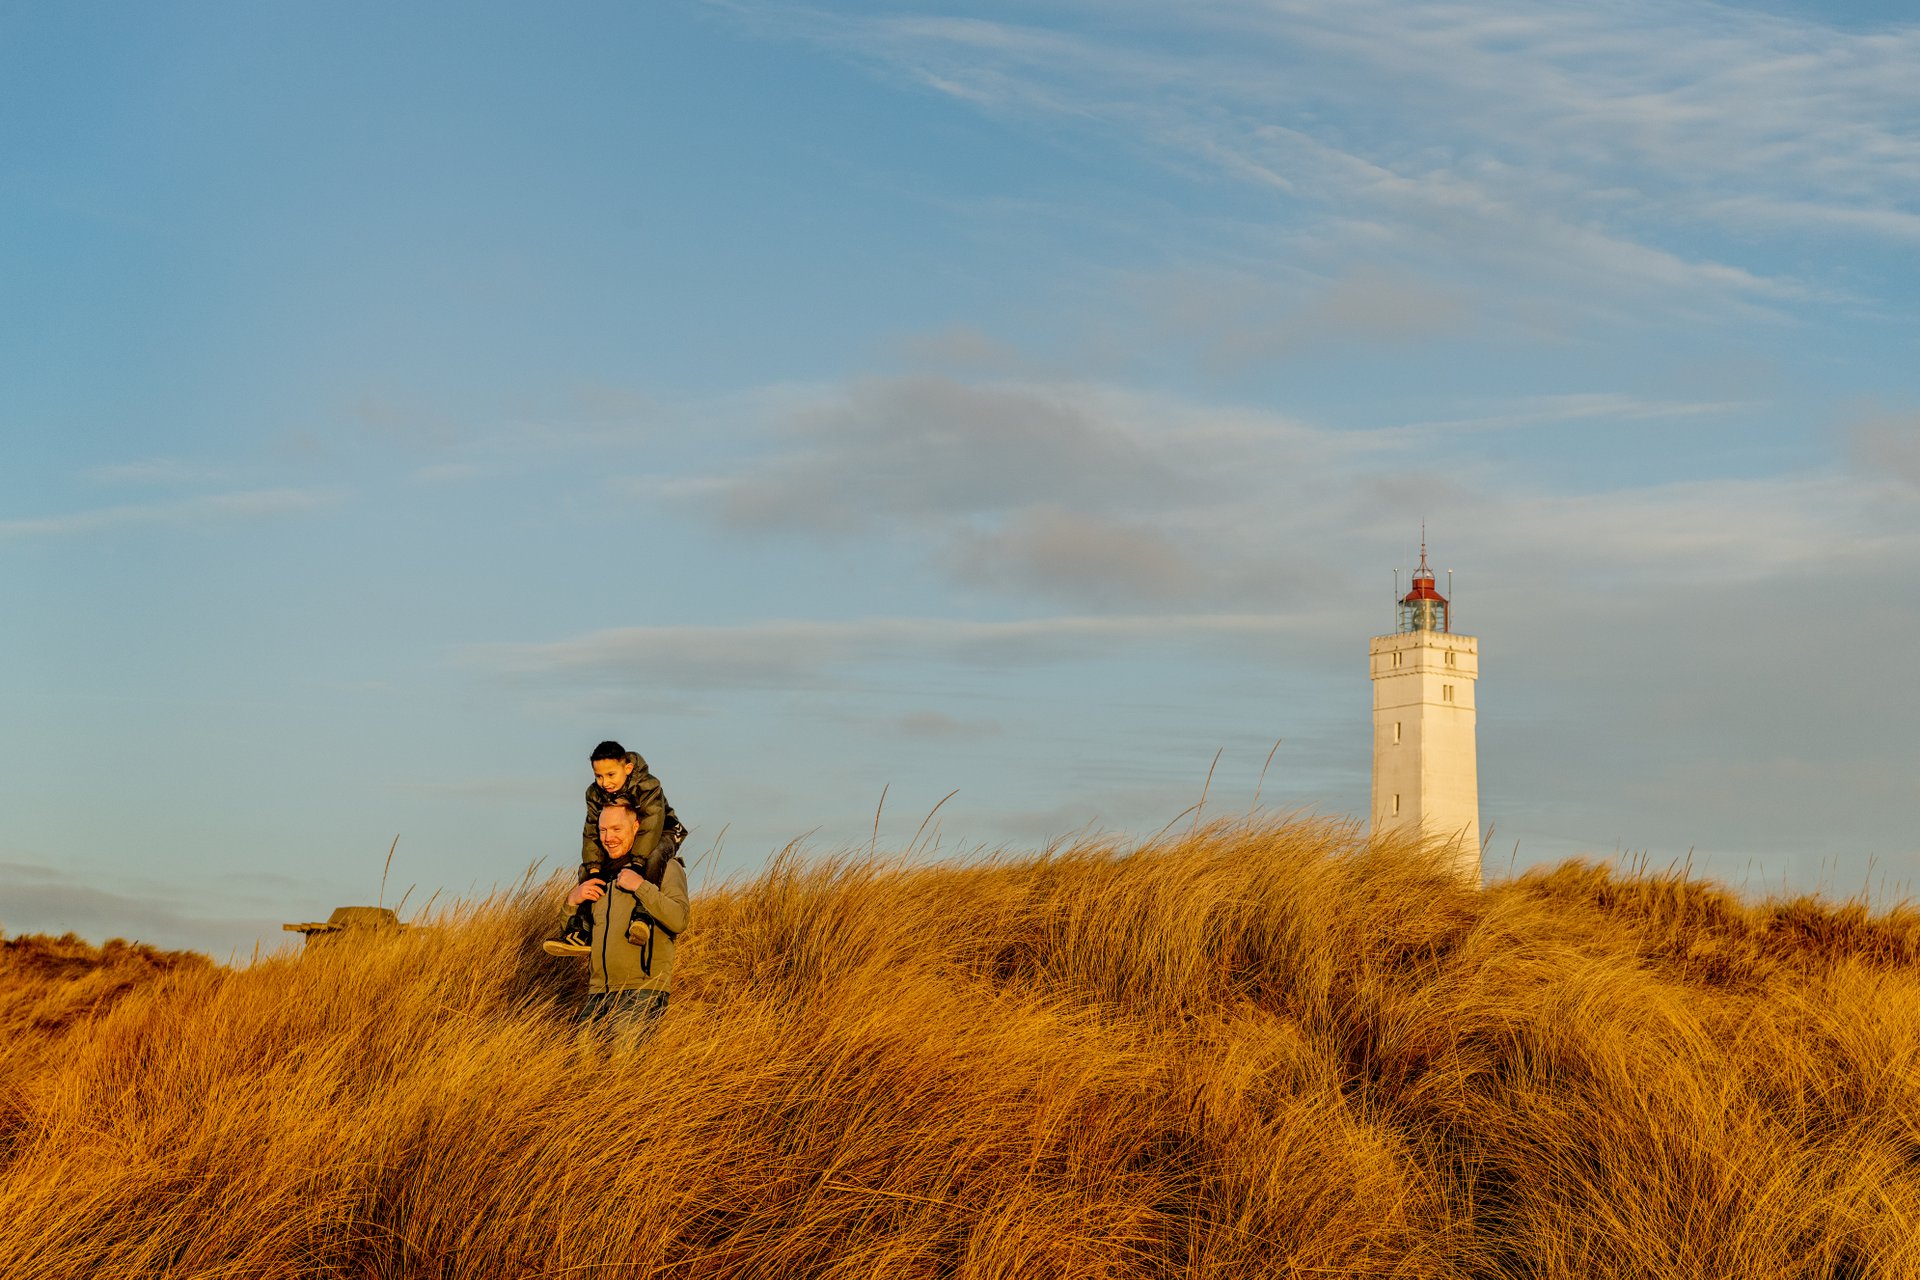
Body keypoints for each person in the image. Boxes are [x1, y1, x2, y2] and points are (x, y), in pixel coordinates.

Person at [544, 739, 686, 956]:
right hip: (636, 834)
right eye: (598, 776)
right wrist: (593, 871)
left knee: (655, 855)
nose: (605, 782)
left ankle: (642, 916)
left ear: (627, 768)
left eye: (611, 775)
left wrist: (638, 864)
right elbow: (592, 831)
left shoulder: (647, 785)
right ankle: (581, 930)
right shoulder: (594, 793)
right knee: (589, 869)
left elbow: (651, 824)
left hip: (663, 830)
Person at [564, 799, 690, 1032]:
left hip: (642, 990)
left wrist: (641, 886)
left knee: (624, 1065)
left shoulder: (665, 867)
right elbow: (580, 933)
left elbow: (679, 919)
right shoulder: (600, 873)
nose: (607, 837)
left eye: (616, 829)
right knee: (583, 1063)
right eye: (602, 830)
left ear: (636, 827)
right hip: (598, 991)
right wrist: (572, 901)